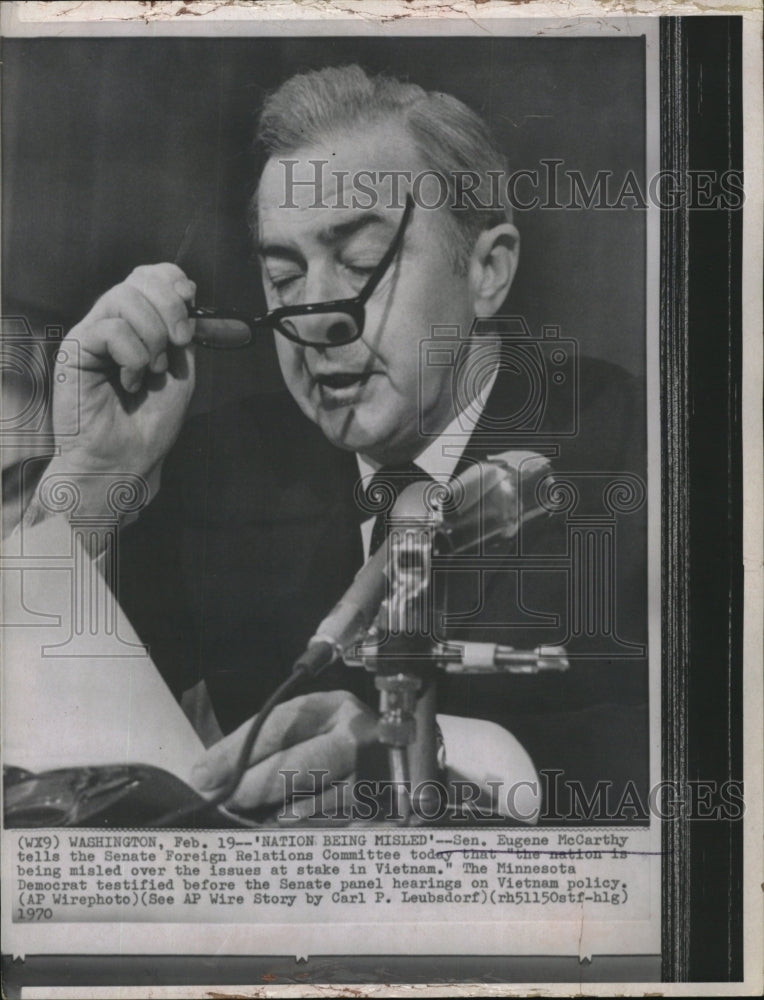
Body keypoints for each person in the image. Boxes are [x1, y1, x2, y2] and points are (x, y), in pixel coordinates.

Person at [31, 65, 648, 823]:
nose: (317, 320)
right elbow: (45, 768)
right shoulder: (225, 472)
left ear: (487, 270)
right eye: (284, 276)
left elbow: (710, 747)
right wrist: (92, 484)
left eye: (360, 265)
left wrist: (438, 756)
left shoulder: (642, 452)